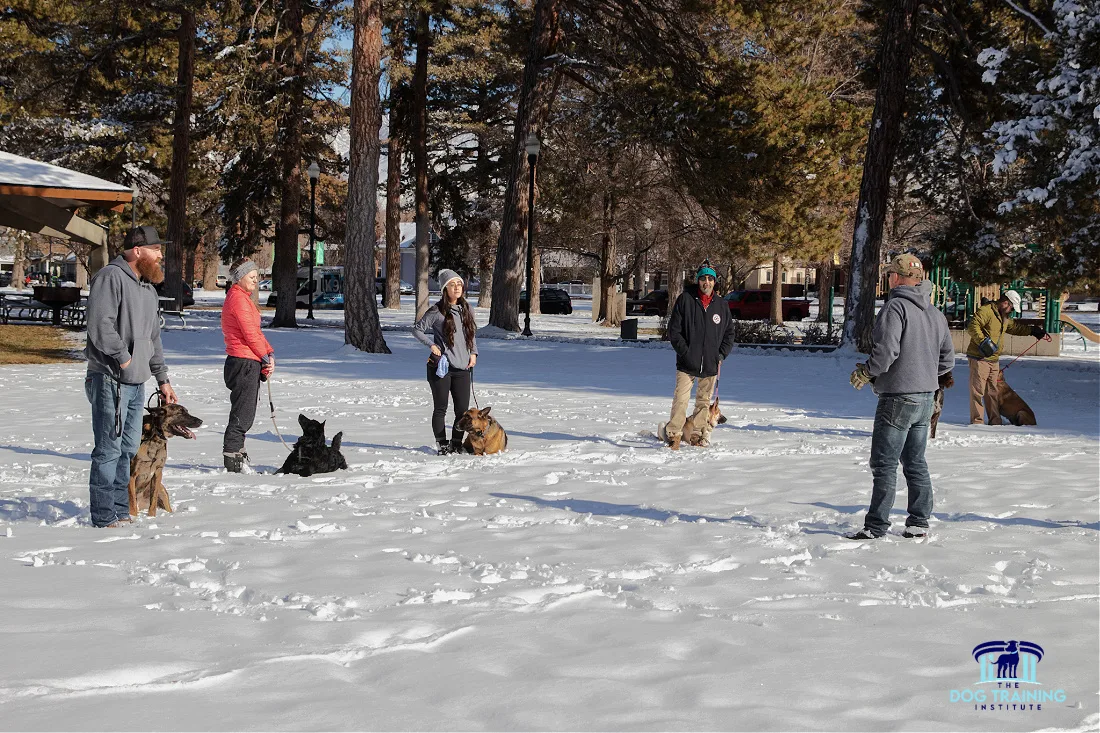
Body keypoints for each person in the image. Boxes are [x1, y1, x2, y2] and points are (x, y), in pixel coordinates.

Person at [846, 254, 955, 540]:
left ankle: (876, 526)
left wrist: (867, 373)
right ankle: (919, 521)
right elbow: (948, 360)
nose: (888, 278)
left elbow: (885, 354)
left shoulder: (895, 307)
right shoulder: (935, 312)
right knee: (915, 462)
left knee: (884, 464)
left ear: (897, 277)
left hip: (897, 398)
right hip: (925, 398)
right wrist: (927, 375)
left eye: (890, 273)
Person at [84, 225, 178, 528]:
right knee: (108, 449)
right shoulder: (110, 278)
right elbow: (100, 326)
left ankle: (122, 510)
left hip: (138, 384)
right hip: (109, 379)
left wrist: (162, 379)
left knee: (127, 450)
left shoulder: (147, 289)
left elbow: (153, 339)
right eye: (156, 249)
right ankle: (102, 516)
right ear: (138, 251)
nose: (161, 255)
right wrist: (123, 358)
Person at [660, 261, 735, 449]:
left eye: (710, 279)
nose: (706, 283)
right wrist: (685, 352)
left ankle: (698, 435)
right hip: (687, 363)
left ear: (714, 282)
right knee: (681, 400)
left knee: (704, 402)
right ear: (698, 280)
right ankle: (674, 435)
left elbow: (729, 334)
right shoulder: (685, 300)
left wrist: (721, 354)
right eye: (703, 279)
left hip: (710, 364)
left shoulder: (721, 305)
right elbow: (674, 331)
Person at [413, 269, 478, 455]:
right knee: (440, 408)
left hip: (462, 367)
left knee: (462, 411)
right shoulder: (436, 312)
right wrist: (432, 345)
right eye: (452, 285)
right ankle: (442, 444)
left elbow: (471, 335)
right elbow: (417, 330)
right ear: (445, 289)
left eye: (459, 284)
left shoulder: (467, 309)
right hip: (440, 368)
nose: (457, 288)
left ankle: (456, 444)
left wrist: (473, 353)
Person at [221, 258, 275, 473]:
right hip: (243, 361)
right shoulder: (238, 300)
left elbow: (257, 333)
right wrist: (264, 358)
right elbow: (250, 334)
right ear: (239, 277)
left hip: (248, 360)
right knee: (243, 413)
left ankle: (239, 452)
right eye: (251, 275)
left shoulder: (242, 298)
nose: (256, 279)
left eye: (256, 275)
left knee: (247, 410)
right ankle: (233, 456)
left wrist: (269, 353)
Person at [965, 289, 1046, 425]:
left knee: (993, 392)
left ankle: (995, 421)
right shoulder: (987, 311)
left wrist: (1032, 330)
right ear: (1005, 303)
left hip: (994, 359)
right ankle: (977, 421)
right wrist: (983, 341)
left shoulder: (1004, 317)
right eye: (1011, 307)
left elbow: (1014, 327)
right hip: (979, 358)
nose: (1011, 311)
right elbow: (973, 326)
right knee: (978, 391)